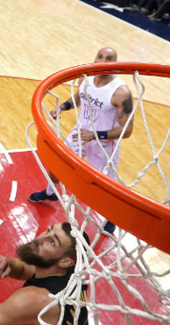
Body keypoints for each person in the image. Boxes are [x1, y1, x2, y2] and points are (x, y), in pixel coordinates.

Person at [28, 48, 134, 235]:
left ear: (115, 64)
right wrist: (62, 107)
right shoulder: (85, 77)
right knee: (58, 164)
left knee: (106, 188)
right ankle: (50, 193)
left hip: (104, 143)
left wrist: (95, 135)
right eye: (100, 56)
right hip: (79, 134)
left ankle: (111, 218)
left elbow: (127, 131)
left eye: (108, 58)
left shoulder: (121, 92)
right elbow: (80, 97)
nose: (102, 60)